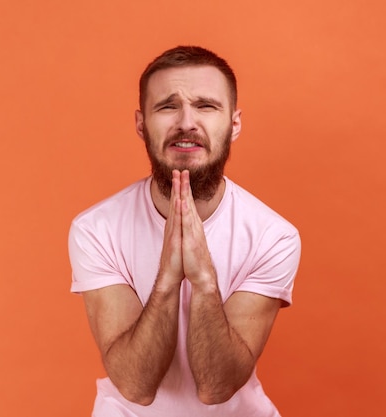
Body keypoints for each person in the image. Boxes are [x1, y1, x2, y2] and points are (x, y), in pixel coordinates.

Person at [68, 45, 301, 416]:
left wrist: (204, 280)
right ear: (141, 123)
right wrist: (168, 280)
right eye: (167, 106)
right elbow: (134, 386)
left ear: (234, 124)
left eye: (206, 106)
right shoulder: (96, 229)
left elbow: (217, 386)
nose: (187, 122)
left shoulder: (274, 236)